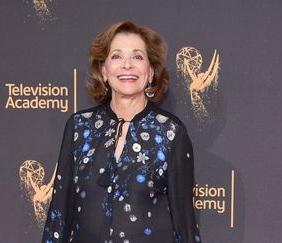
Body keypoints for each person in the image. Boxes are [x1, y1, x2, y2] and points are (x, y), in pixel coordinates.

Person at [42, 20, 201, 243]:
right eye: (116, 56)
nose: (127, 65)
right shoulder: (79, 127)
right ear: (103, 70)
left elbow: (184, 223)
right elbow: (59, 216)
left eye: (137, 57)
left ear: (151, 71)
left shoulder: (171, 132)